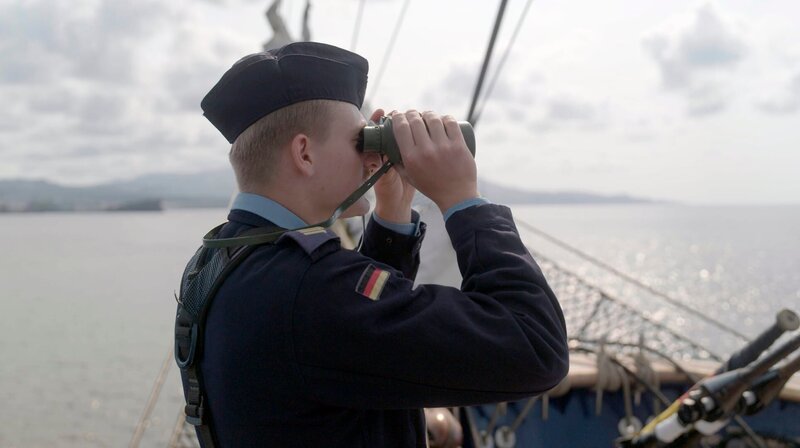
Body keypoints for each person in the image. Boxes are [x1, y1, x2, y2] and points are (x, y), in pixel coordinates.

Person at [180, 41, 568, 447]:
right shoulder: (310, 292)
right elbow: (534, 348)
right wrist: (462, 199)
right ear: (304, 154)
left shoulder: (216, 261)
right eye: (359, 141)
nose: (371, 157)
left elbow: (357, 343)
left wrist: (392, 212)